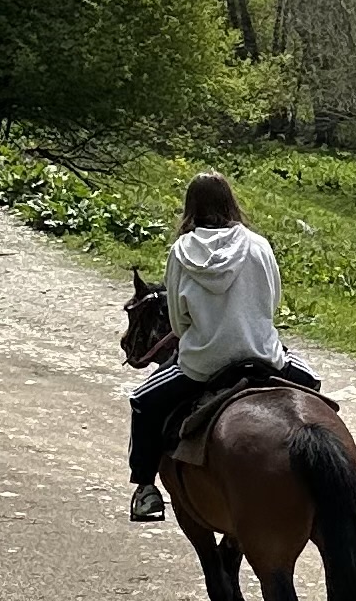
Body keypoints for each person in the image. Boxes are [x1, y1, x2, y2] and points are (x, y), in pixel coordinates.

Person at [128, 173, 317, 522]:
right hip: (264, 356)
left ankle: (145, 489)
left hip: (203, 364)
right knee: (313, 390)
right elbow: (272, 301)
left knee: (143, 403)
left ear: (190, 208)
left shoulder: (181, 252)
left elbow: (178, 319)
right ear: (231, 202)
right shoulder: (259, 245)